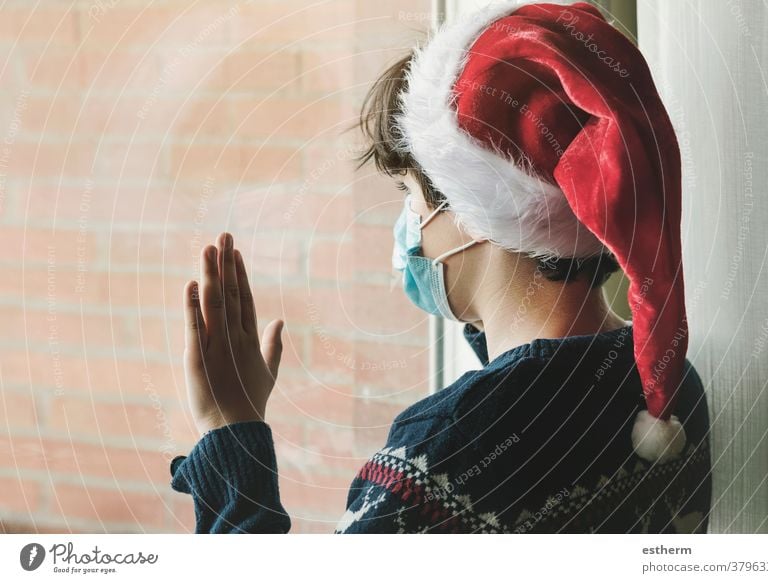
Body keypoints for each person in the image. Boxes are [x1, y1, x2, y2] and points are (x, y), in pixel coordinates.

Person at [170, 1, 712, 533]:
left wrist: (229, 433)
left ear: (478, 210)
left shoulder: (439, 459)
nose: (409, 224)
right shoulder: (667, 386)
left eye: (411, 195)